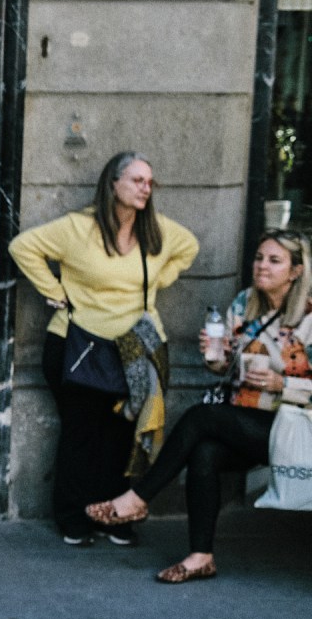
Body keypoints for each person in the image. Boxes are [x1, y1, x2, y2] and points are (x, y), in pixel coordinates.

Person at [88, 230, 312, 582]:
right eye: (258, 258)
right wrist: (216, 357)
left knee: (201, 418)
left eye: (274, 260)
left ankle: (139, 497)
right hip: (244, 419)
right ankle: (200, 556)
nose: (262, 266)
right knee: (205, 451)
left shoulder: (310, 317)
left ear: (296, 271)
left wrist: (281, 384)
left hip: (295, 428)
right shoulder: (244, 304)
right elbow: (225, 369)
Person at [9, 151, 198, 547]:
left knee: (121, 437)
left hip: (133, 351)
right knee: (81, 435)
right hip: (77, 345)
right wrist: (54, 291)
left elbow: (190, 248)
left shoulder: (157, 231)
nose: (145, 188)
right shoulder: (78, 228)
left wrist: (157, 281)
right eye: (137, 180)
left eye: (150, 182)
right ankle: (73, 518)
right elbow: (22, 247)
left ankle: (114, 517)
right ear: (113, 184)